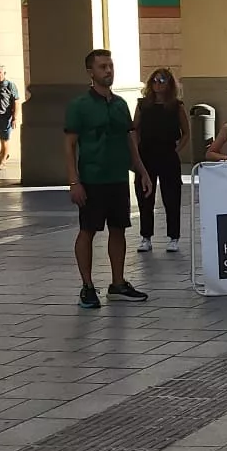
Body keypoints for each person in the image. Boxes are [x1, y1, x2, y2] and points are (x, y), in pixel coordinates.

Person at [65, 48, 151, 308]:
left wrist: (141, 170)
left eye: (110, 66)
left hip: (116, 178)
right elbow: (69, 145)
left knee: (118, 229)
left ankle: (118, 283)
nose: (108, 71)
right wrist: (74, 181)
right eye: (102, 67)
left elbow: (130, 140)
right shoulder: (79, 106)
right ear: (91, 72)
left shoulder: (120, 104)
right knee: (87, 231)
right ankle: (88, 286)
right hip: (91, 178)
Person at [133, 68, 187, 252]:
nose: (157, 84)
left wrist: (177, 150)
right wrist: (135, 152)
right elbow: (135, 129)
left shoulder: (176, 106)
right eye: (154, 80)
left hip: (168, 154)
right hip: (146, 154)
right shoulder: (142, 105)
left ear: (169, 83)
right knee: (145, 196)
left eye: (162, 80)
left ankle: (173, 237)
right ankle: (145, 236)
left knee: (171, 196)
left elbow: (185, 132)